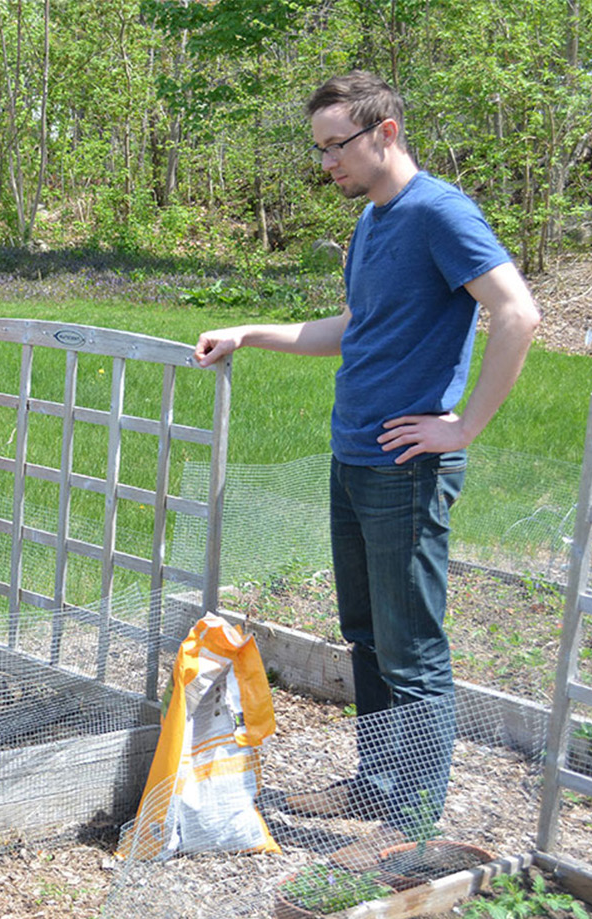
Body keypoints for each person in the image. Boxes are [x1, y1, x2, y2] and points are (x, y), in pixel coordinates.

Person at [194, 71, 541, 862]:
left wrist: (463, 426)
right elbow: (353, 328)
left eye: (336, 146)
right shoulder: (377, 223)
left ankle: (410, 826)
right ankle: (378, 784)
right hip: (353, 455)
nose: (327, 165)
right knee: (365, 636)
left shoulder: (441, 214)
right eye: (319, 150)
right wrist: (251, 331)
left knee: (410, 645)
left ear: (385, 133)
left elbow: (517, 312)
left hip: (406, 468)